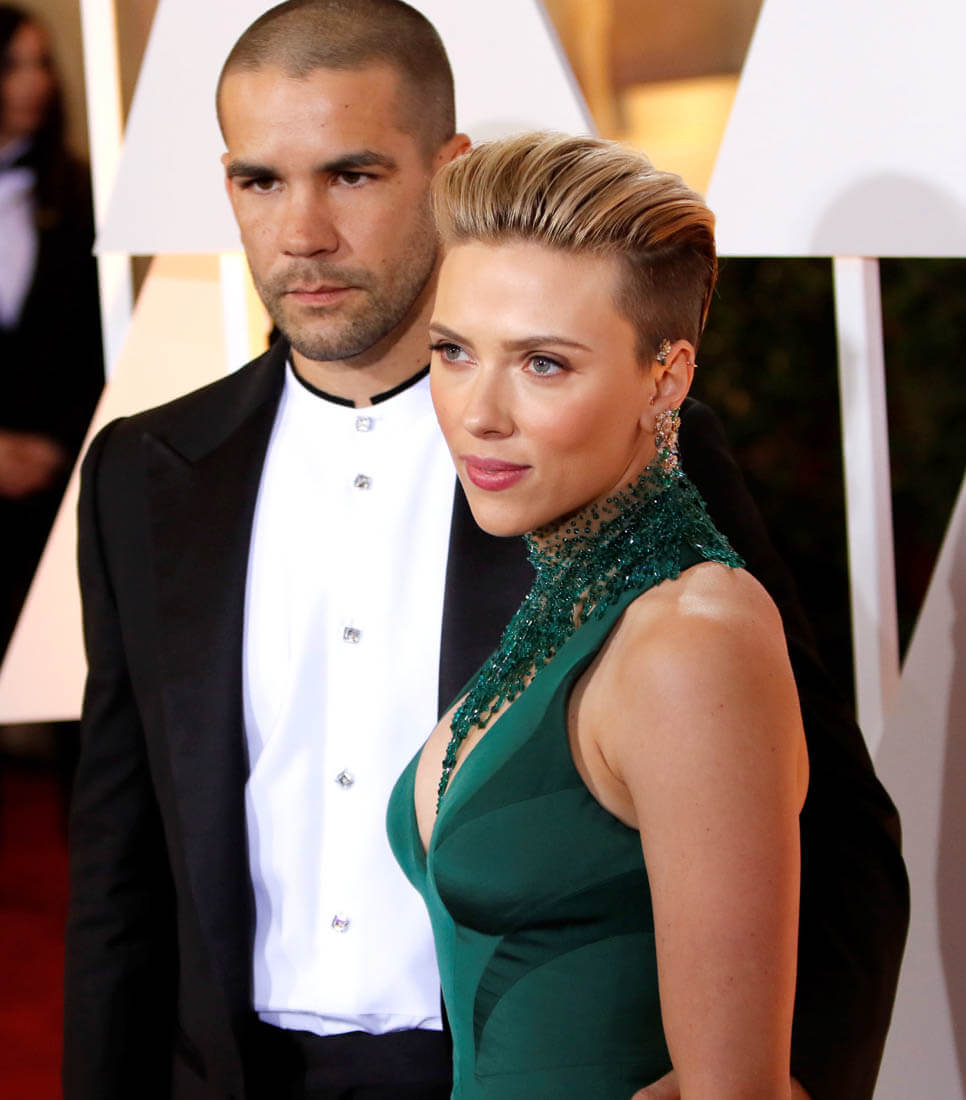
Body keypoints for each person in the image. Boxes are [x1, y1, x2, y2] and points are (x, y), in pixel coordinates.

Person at [63, 3, 906, 1099]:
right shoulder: (142, 472)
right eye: (260, 180)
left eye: (352, 174)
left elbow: (831, 836)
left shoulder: (621, 461)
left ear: (445, 169)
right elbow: (119, 863)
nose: (302, 233)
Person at [387, 130, 807, 1099]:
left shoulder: (693, 638)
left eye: (542, 363)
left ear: (667, 377)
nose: (478, 412)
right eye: (453, 351)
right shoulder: (574, 595)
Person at [0, 3, 102, 658]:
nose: (34, 82)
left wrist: (54, 450)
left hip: (52, 474)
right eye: (13, 66)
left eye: (42, 65)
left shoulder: (78, 190)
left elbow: (91, 344)